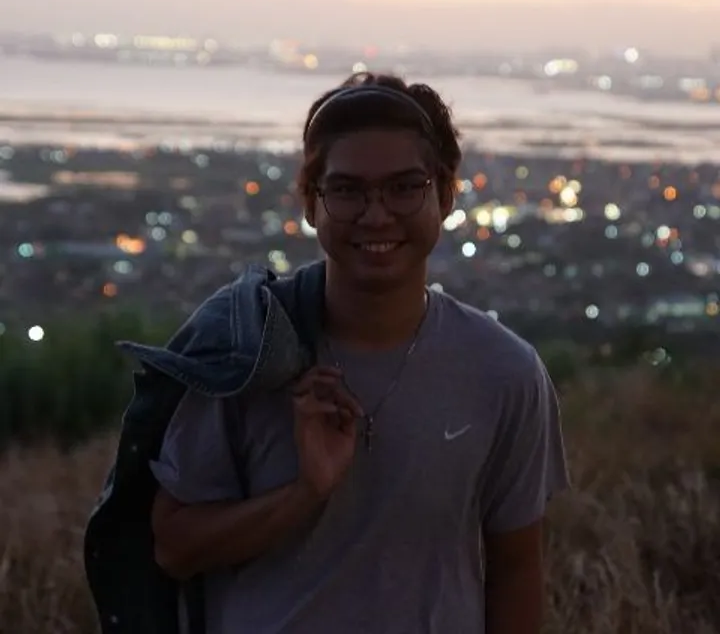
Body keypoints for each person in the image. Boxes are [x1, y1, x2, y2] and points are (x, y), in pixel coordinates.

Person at [149, 71, 570, 634]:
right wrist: (305, 494)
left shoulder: (504, 373)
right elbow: (174, 547)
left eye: (404, 187)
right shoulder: (246, 351)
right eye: (347, 191)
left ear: (445, 196)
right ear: (310, 202)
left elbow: (516, 572)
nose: (376, 215)